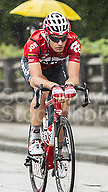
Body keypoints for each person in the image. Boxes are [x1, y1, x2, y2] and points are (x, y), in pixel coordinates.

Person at [19, 11, 81, 156]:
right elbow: (36, 78)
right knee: (42, 92)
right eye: (54, 39)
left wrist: (69, 86)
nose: (60, 43)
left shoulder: (73, 42)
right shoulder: (34, 43)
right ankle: (35, 137)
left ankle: (60, 148)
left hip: (55, 67)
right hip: (34, 66)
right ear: (46, 35)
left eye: (63, 38)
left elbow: (73, 77)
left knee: (65, 104)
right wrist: (54, 86)